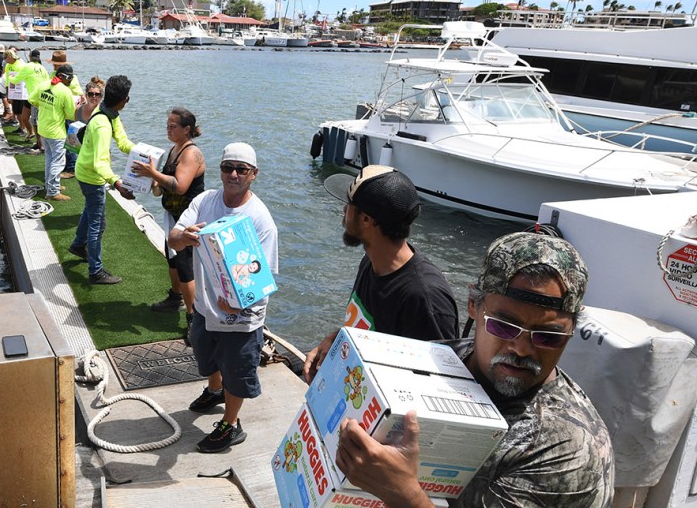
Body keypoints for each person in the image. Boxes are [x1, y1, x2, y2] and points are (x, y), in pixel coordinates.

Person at [335, 231, 614, 507]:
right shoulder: (445, 357)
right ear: (473, 305)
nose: (521, 349)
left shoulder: (567, 450)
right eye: (503, 326)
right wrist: (342, 353)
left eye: (548, 336)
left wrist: (403, 495)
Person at [168, 142, 279, 454]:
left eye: (241, 169)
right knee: (205, 353)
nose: (233, 174)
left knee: (236, 370)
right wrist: (184, 237)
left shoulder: (260, 219)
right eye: (227, 167)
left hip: (241, 317)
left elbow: (265, 276)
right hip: (205, 306)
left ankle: (231, 424)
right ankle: (215, 390)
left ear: (253, 174)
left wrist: (240, 303)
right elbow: (173, 238)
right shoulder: (204, 201)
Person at [302, 165, 458, 383]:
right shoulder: (371, 262)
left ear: (367, 220)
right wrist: (337, 339)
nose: (343, 211)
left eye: (348, 206)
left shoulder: (424, 298)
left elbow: (438, 384)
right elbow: (371, 331)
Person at [130, 107, 205, 314]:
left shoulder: (191, 153)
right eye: (167, 126)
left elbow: (180, 186)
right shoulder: (173, 150)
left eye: (172, 126)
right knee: (171, 258)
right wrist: (147, 180)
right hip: (172, 216)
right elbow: (160, 188)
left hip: (188, 219)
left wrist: (153, 172)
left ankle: (193, 316)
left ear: (186, 129)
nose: (168, 130)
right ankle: (176, 296)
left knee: (184, 266)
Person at [68, 75, 137, 285]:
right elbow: (100, 164)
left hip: (85, 169)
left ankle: (79, 245)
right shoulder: (102, 125)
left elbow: (123, 142)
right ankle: (95, 271)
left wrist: (143, 153)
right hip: (91, 176)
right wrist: (117, 183)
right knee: (98, 224)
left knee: (90, 211)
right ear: (123, 99)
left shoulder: (111, 113)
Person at [31, 63, 76, 202]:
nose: (71, 81)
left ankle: (50, 185)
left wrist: (45, 107)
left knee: (49, 160)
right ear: (64, 77)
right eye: (70, 78)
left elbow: (32, 99)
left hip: (43, 129)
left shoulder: (44, 85)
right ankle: (53, 191)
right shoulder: (65, 91)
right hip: (56, 132)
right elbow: (70, 115)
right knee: (58, 162)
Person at [63, 76, 105, 179]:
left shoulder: (104, 112)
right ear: (86, 95)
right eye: (91, 94)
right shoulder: (79, 109)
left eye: (97, 94)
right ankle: (73, 168)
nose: (93, 97)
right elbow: (77, 128)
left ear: (101, 97)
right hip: (84, 144)